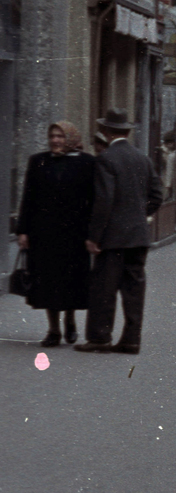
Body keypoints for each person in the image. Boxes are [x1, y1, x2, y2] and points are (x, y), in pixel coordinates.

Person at [75, 107, 163, 355]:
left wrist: (94, 236)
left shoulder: (106, 159)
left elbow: (104, 200)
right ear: (125, 131)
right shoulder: (142, 158)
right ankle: (131, 339)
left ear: (106, 132)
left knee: (104, 289)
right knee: (134, 290)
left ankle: (100, 338)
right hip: (137, 236)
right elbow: (157, 194)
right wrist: (141, 214)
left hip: (112, 238)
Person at [16, 121, 96, 347]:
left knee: (71, 280)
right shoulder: (38, 161)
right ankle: (53, 329)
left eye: (60, 136)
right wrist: (23, 231)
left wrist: (93, 233)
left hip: (75, 235)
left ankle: (70, 321)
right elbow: (28, 198)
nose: (55, 140)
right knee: (47, 280)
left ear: (70, 138)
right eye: (52, 136)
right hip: (44, 234)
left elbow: (93, 200)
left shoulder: (86, 163)